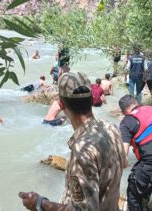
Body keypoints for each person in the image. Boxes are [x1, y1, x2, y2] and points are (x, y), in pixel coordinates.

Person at [19, 72, 126, 211]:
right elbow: (122, 165)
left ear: (61, 104)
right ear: (92, 100)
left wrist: (40, 204)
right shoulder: (111, 128)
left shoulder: (83, 150)